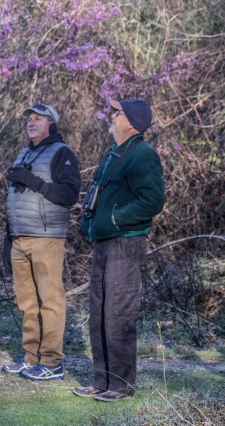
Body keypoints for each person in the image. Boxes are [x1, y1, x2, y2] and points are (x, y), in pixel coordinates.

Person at [73, 98, 164, 402]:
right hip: (104, 241)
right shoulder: (114, 153)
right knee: (99, 311)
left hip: (125, 242)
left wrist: (115, 218)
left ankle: (121, 384)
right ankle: (102, 381)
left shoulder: (142, 154)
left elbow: (152, 200)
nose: (111, 116)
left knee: (118, 312)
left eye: (117, 112)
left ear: (132, 122)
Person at [1, 103, 81, 380]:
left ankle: (51, 362)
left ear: (52, 124)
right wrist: (8, 236)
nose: (31, 122)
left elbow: (69, 195)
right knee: (27, 303)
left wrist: (34, 181)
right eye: (30, 118)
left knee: (50, 300)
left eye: (39, 118)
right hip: (20, 237)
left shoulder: (62, 153)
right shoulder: (24, 153)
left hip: (47, 238)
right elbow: (14, 201)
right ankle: (30, 358)